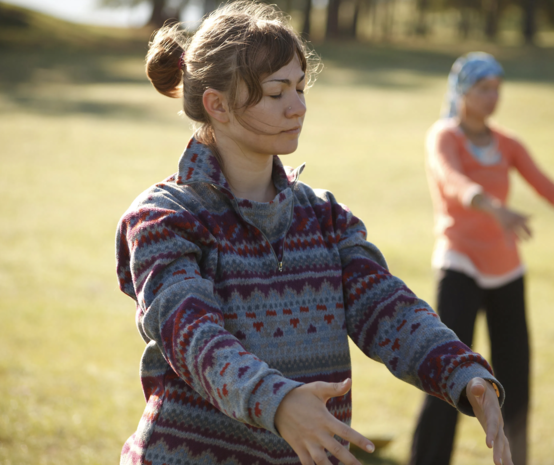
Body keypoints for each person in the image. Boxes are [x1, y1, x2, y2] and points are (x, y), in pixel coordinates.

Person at [115, 5, 514, 465]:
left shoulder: (324, 217)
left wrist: (463, 374)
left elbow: (387, 308)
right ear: (217, 104)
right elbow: (193, 338)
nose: (298, 106)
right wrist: (278, 403)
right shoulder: (164, 218)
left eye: (300, 88)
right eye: (276, 92)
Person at [409, 52, 554, 465]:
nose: (494, 97)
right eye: (484, 89)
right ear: (463, 92)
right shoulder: (445, 136)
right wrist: (494, 207)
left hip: (506, 269)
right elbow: (453, 181)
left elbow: (541, 181)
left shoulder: (507, 142)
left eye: (498, 89)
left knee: (515, 378)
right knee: (446, 371)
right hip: (459, 265)